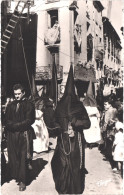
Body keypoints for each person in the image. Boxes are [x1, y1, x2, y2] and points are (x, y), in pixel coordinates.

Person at [51, 65, 91, 194]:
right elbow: (54, 121)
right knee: (62, 165)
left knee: (74, 166)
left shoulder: (78, 106)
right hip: (63, 141)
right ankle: (63, 189)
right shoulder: (59, 106)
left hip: (76, 142)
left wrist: (74, 122)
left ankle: (74, 189)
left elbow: (87, 123)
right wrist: (58, 128)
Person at [5, 84, 35, 191]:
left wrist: (15, 126)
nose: (17, 96)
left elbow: (29, 120)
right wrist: (10, 126)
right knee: (14, 156)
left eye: (19, 94)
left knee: (23, 157)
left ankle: (23, 180)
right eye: (15, 94)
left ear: (23, 93)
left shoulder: (29, 105)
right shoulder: (11, 105)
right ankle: (17, 175)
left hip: (24, 134)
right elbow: (6, 119)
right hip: (12, 135)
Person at [83, 81, 102, 149]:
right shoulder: (86, 106)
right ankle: (89, 142)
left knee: (92, 131)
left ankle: (91, 143)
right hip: (90, 119)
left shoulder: (93, 107)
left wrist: (98, 121)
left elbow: (98, 115)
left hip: (93, 120)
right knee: (88, 131)